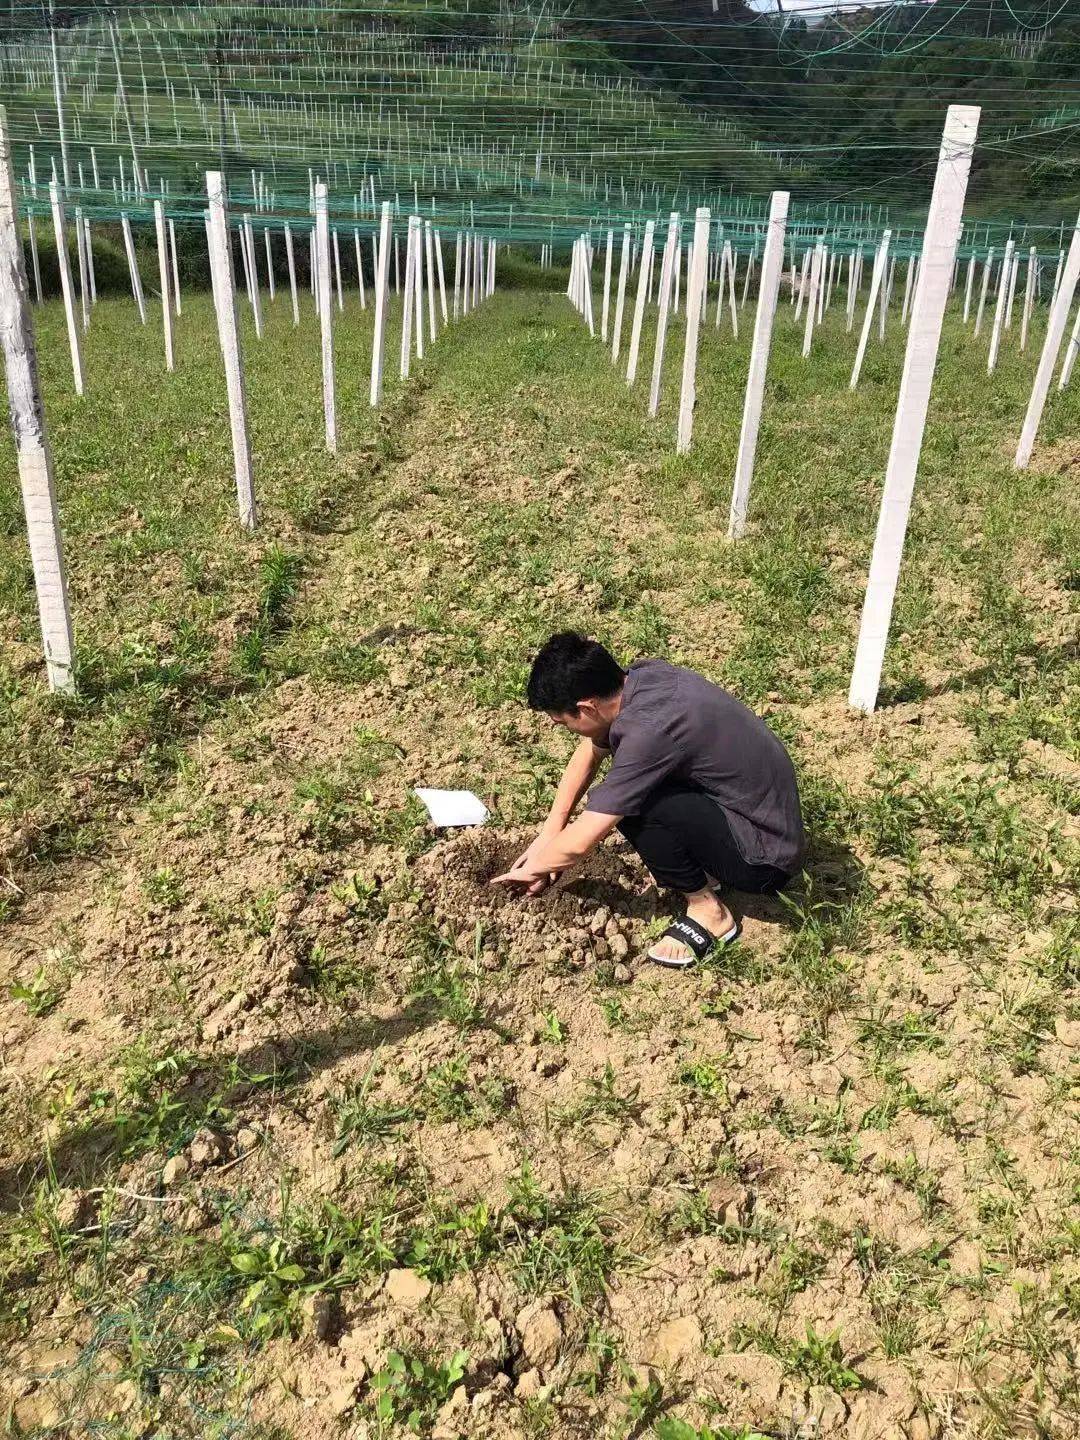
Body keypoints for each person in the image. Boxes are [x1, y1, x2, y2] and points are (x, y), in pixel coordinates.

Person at [491, 632, 806, 967]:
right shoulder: (641, 678)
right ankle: (706, 865)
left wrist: (536, 868)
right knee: (632, 789)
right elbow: (591, 750)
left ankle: (708, 911)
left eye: (564, 724)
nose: (567, 731)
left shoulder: (647, 733)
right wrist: (550, 831)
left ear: (585, 708)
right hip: (761, 816)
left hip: (765, 859)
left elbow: (584, 838)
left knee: (635, 806)